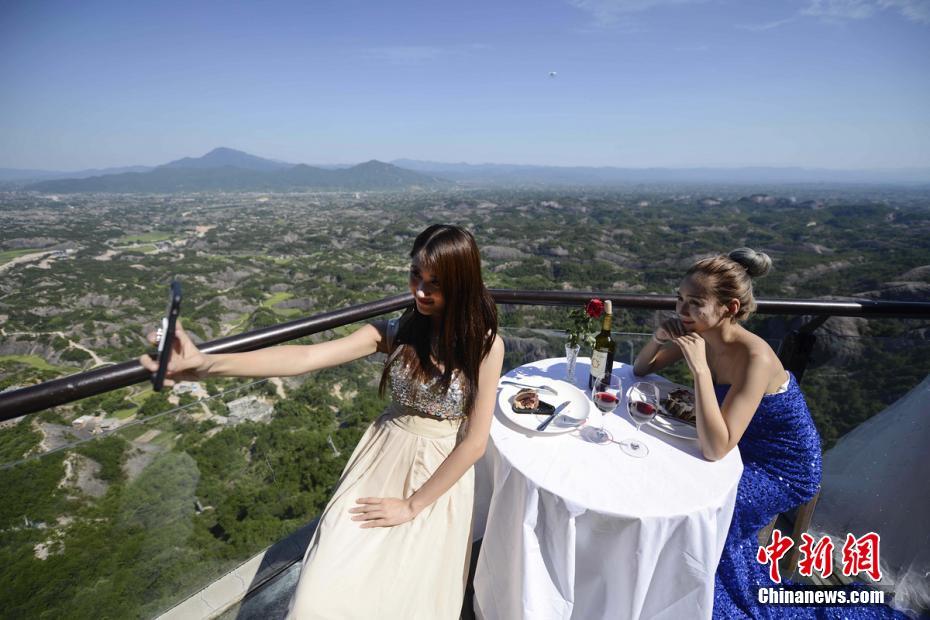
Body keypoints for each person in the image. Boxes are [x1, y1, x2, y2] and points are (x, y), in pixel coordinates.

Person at [140, 224, 504, 619]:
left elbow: (474, 442)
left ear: (462, 284)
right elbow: (305, 358)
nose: (419, 290)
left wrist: (412, 505)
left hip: (438, 475)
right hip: (380, 459)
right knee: (318, 594)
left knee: (408, 598)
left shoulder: (485, 346)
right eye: (415, 274)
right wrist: (208, 364)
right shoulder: (395, 333)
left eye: (435, 283)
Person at [633, 249, 902, 619]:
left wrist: (699, 372)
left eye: (695, 303)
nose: (682, 311)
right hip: (737, 446)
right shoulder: (701, 332)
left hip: (782, 467)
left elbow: (716, 448)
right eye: (679, 299)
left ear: (728, 308)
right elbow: (641, 368)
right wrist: (659, 338)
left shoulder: (754, 357)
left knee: (702, 513)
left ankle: (696, 598)